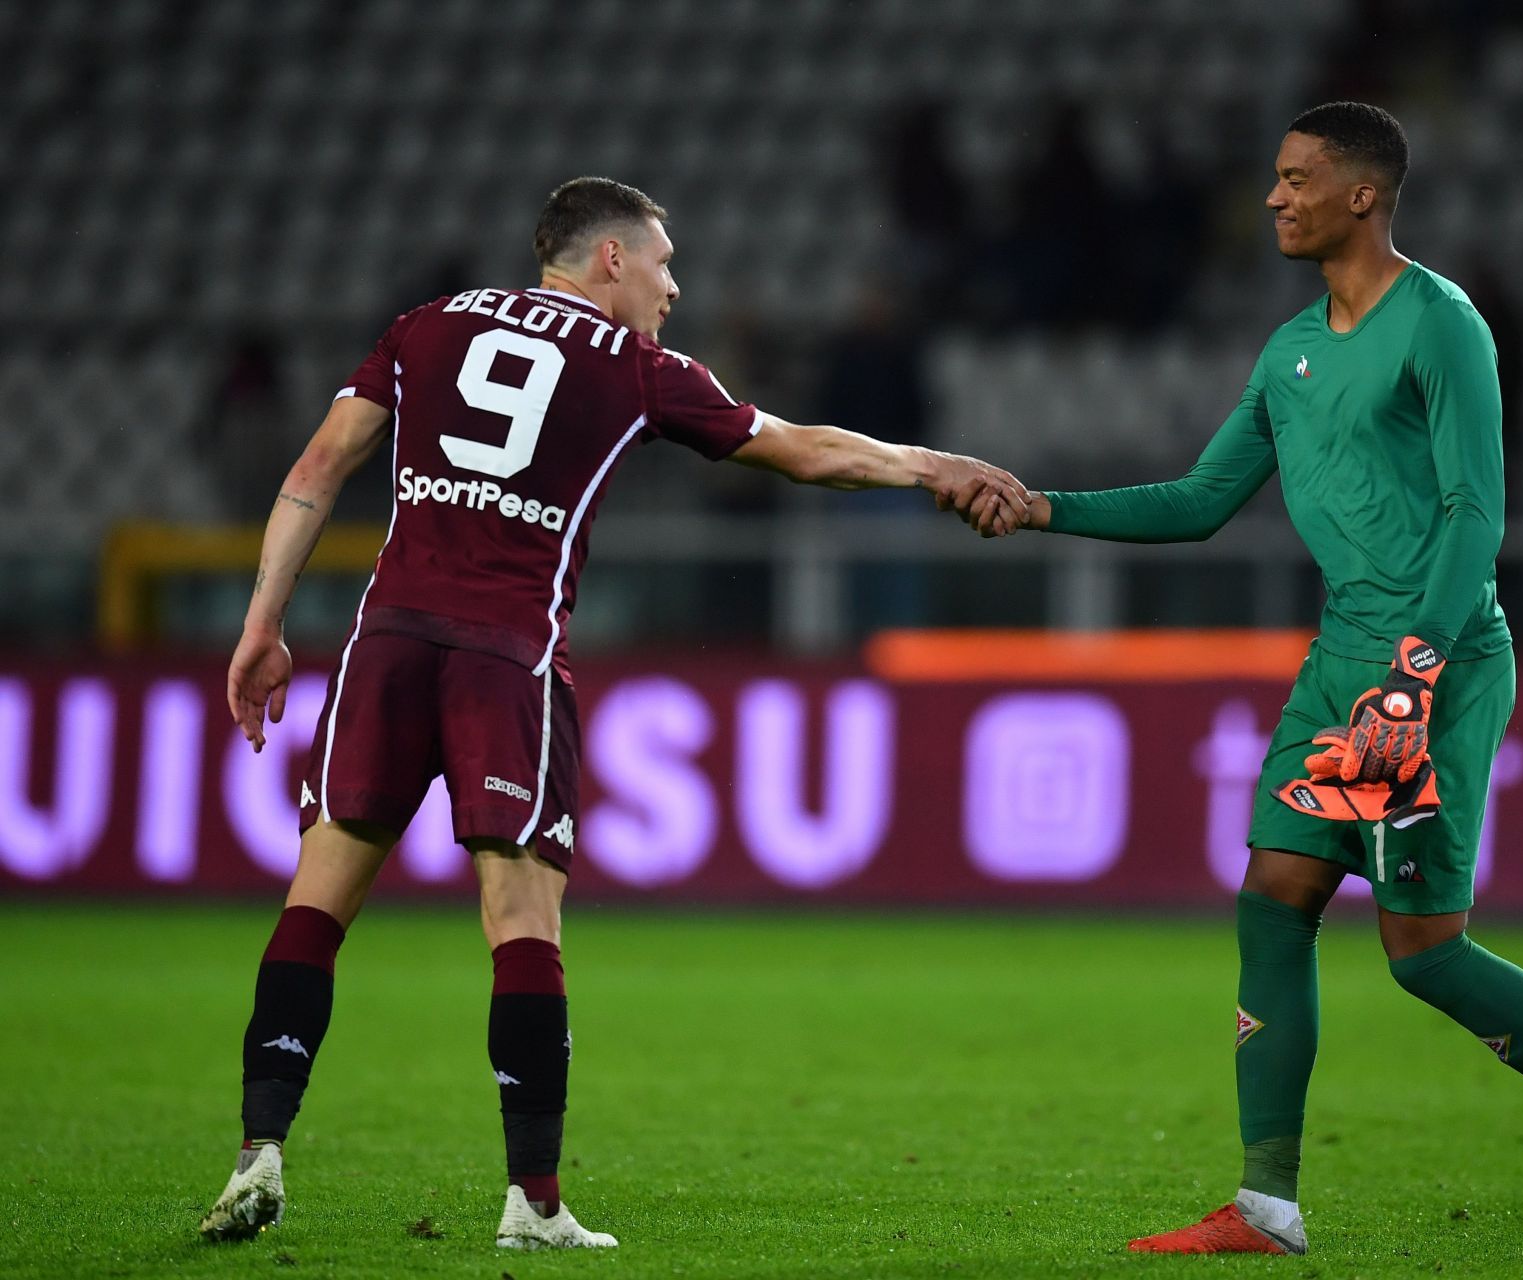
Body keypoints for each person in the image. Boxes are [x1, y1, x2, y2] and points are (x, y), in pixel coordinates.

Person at [201, 177, 1026, 1251]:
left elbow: (317, 466)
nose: (674, 286)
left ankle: (257, 1152)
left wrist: (263, 622)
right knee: (521, 924)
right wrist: (930, 465)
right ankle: (534, 1202)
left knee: (317, 900)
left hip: (387, 639)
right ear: (608, 263)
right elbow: (806, 451)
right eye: (663, 263)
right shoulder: (638, 369)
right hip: (510, 655)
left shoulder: (426, 325)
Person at [954, 103, 1523, 1264]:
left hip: (1431, 668)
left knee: (1426, 953)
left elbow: (1474, 512)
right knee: (1273, 894)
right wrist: (1047, 505)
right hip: (1343, 660)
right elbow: (1201, 500)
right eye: (1274, 178)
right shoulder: (1290, 351)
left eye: (1297, 179)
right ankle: (1265, 1205)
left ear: (1363, 195)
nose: (1274, 197)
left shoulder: (1443, 326)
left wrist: (1419, 667)